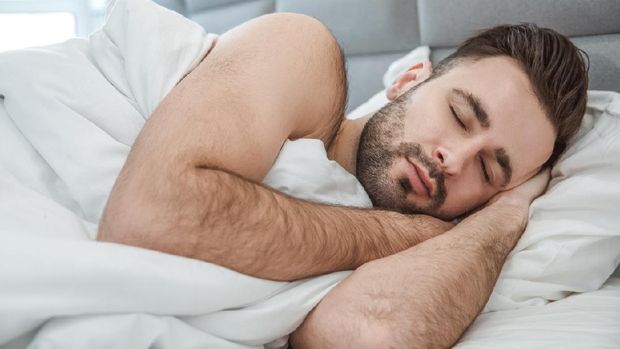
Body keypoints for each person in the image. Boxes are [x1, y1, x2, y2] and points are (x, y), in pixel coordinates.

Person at [96, 13, 588, 348]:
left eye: (488, 170)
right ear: (409, 80)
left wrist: (504, 217)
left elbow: (369, 336)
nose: (454, 160)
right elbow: (153, 216)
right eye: (459, 115)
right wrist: (412, 233)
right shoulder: (304, 54)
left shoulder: (403, 259)